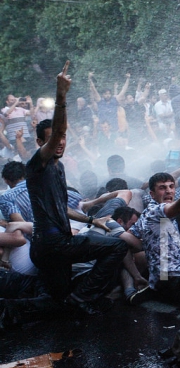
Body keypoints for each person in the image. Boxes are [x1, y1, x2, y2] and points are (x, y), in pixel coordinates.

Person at [27, 61, 127, 315]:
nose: (59, 142)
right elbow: (61, 126)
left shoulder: (58, 168)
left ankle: (68, 302)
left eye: (62, 138)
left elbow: (65, 208)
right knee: (117, 247)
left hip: (53, 244)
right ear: (40, 143)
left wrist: (94, 220)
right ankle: (81, 298)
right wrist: (61, 95)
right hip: (52, 243)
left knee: (55, 303)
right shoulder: (38, 164)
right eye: (52, 139)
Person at [123, 167, 180, 303]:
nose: (168, 191)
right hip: (175, 280)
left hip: (165, 278)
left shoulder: (146, 213)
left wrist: (150, 245)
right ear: (152, 194)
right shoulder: (157, 210)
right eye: (162, 188)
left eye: (171, 186)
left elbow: (127, 237)